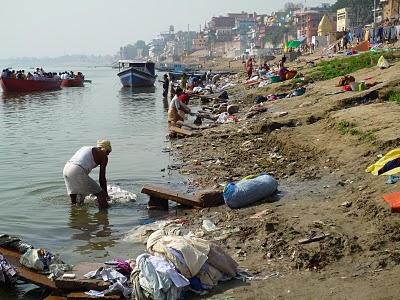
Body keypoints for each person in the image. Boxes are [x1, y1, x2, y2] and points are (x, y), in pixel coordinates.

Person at [63, 140, 112, 210]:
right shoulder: (103, 155)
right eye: (108, 152)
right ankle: (104, 217)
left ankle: (74, 217)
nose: (108, 155)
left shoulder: (85, 148)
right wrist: (105, 194)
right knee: (101, 195)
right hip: (77, 170)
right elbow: (102, 178)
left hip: (66, 169)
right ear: (105, 149)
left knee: (74, 200)